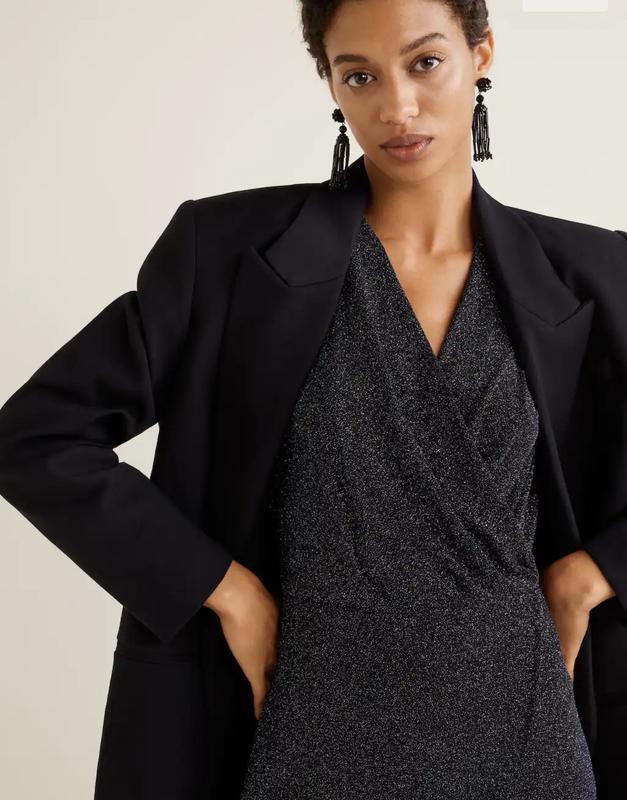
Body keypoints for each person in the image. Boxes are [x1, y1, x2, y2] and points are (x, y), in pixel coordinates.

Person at [0, 1, 625, 798]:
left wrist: (591, 574)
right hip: (302, 719)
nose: (396, 106)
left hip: (525, 727)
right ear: (329, 82)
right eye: (358, 76)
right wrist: (223, 589)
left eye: (425, 62)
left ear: (481, 54)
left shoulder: (597, 274)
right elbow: (34, 437)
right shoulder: (227, 255)